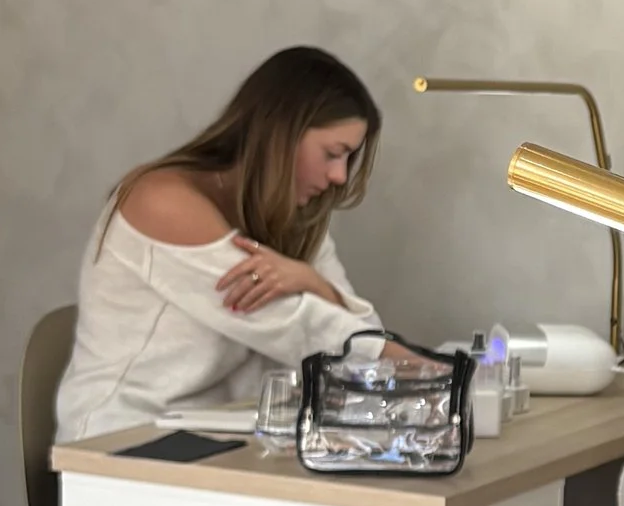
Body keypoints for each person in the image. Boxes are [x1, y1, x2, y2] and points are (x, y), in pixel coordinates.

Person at [56, 47, 384, 442]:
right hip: (122, 445)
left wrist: (312, 281)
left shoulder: (293, 218)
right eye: (333, 154)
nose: (338, 176)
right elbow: (305, 331)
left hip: (223, 440)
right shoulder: (160, 201)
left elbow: (357, 345)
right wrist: (433, 375)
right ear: (281, 133)